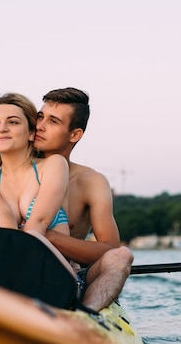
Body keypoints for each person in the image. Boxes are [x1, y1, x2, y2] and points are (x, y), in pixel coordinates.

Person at [34, 87, 134, 312]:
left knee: (122, 257)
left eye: (53, 121)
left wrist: (40, 234)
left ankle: (85, 317)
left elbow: (109, 248)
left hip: (72, 274)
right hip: (18, 268)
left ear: (75, 134)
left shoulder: (91, 181)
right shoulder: (14, 171)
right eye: (40, 117)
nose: (40, 126)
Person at [0, 92, 70, 237]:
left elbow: (39, 223)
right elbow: (5, 221)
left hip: (46, 257)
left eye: (13, 122)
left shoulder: (53, 165)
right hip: (6, 255)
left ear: (32, 132)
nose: (2, 129)